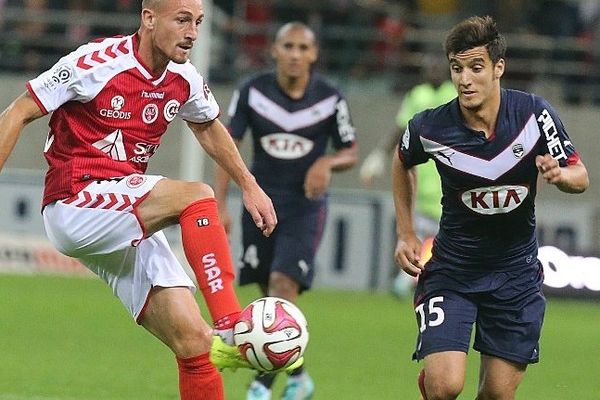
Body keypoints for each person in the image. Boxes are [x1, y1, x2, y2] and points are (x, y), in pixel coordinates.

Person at [0, 1, 300, 399]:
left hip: (125, 216)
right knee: (197, 196)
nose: (193, 33)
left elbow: (208, 126)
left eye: (198, 22)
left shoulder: (184, 78)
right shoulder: (95, 62)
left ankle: (219, 330)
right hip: (76, 200)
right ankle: (231, 320)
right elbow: (18, 110)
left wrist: (249, 184)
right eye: (182, 20)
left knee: (194, 342)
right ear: (148, 18)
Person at [392, 15, 589, 400]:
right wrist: (405, 232)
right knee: (447, 385)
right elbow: (402, 161)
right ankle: (433, 385)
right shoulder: (429, 126)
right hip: (453, 270)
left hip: (515, 276)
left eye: (476, 67)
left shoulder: (533, 115)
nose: (465, 79)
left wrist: (562, 177)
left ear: (499, 68)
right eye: (457, 67)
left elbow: (579, 174)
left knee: (497, 395)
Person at [215, 21, 358, 400]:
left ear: (313, 54)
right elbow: (226, 145)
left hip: (304, 207)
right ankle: (299, 378)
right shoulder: (252, 92)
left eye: (302, 48)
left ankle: (262, 383)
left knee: (282, 286)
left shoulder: (330, 97)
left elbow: (350, 151)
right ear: (275, 51)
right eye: (288, 46)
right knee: (268, 300)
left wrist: (326, 163)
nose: (295, 54)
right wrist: (218, 204)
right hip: (260, 201)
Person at [360, 54, 456, 297]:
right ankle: (407, 279)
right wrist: (378, 156)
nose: (433, 71)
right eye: (429, 67)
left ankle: (421, 280)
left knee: (444, 237)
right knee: (418, 232)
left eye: (437, 67)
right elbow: (400, 128)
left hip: (448, 175)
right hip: (421, 176)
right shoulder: (417, 95)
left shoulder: (455, 93)